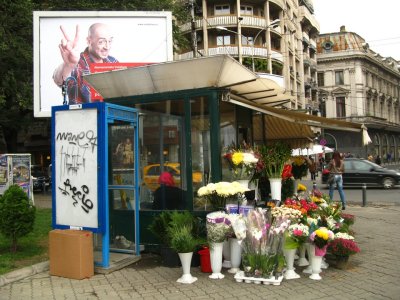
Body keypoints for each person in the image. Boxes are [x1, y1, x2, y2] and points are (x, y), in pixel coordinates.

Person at [53, 23, 118, 104]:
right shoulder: (77, 63)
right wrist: (69, 65)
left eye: (110, 41)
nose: (107, 47)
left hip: (111, 115)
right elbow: (59, 81)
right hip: (84, 115)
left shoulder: (113, 61)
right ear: (88, 41)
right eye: (101, 42)